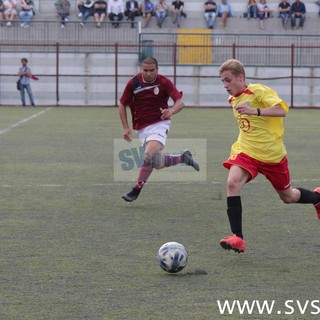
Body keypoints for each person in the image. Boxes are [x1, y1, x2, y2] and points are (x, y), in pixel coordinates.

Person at [218, 58, 320, 253]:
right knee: (232, 183)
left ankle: (317, 198)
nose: (225, 86)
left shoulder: (258, 91)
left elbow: (282, 110)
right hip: (246, 152)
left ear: (241, 77)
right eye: (222, 81)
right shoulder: (233, 99)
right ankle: (237, 237)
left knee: (288, 197)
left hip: (272, 156)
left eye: (228, 80)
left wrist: (253, 111)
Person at [119, 57, 200, 203]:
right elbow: (122, 104)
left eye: (152, 70)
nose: (148, 73)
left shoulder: (164, 82)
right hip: (142, 127)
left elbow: (180, 103)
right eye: (145, 70)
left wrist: (170, 111)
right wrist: (125, 127)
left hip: (160, 123)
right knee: (157, 163)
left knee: (149, 154)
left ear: (157, 70)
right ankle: (183, 158)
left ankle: (136, 188)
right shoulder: (133, 83)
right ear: (141, 69)